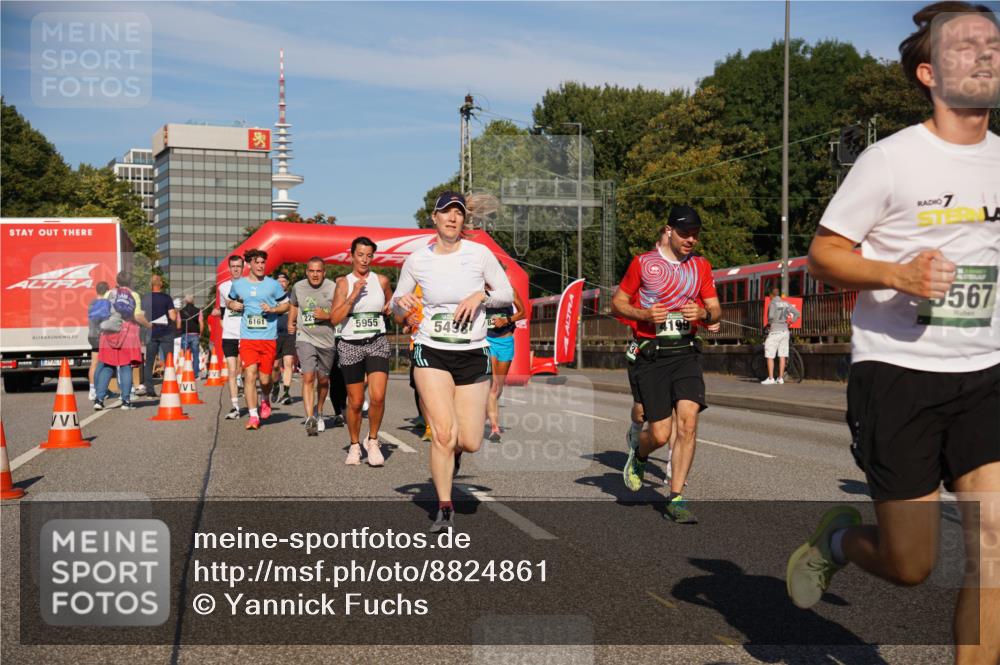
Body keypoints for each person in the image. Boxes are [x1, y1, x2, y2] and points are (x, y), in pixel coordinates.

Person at [786, 5, 1000, 662]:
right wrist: (897, 275)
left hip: (987, 372)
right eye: (967, 47)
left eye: (993, 44)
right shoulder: (890, 160)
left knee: (992, 545)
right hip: (899, 375)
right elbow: (822, 255)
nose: (987, 56)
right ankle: (841, 543)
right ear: (930, 74)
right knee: (910, 563)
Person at [391, 191, 514, 532]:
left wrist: (482, 296)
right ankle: (444, 508)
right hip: (432, 350)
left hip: (473, 352)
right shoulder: (417, 260)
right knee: (443, 434)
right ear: (434, 217)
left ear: (463, 220)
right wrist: (403, 307)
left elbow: (507, 293)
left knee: (470, 440)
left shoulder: (480, 254)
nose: (452, 218)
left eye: (458, 213)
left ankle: (454, 456)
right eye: (446, 213)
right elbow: (396, 304)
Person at [611, 205, 721, 524]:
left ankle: (676, 497)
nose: (691, 240)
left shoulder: (701, 266)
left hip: (686, 352)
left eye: (696, 235)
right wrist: (644, 314)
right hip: (653, 355)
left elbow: (715, 310)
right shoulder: (644, 264)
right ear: (668, 230)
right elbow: (618, 303)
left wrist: (703, 315)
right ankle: (641, 452)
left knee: (688, 422)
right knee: (660, 433)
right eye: (685, 233)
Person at [330, 237, 394, 466]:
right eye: (360, 255)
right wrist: (352, 297)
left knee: (377, 396)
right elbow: (334, 319)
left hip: (376, 341)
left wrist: (391, 309)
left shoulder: (382, 280)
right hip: (350, 345)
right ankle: (355, 445)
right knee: (355, 402)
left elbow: (392, 308)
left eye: (369, 255)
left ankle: (374, 441)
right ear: (352, 255)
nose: (365, 260)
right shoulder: (343, 283)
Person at [226, 249, 289, 430]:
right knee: (250, 374)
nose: (261, 266)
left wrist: (273, 309)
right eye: (257, 263)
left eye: (263, 263)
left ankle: (265, 398)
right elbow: (229, 301)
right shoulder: (238, 285)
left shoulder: (273, 285)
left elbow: (286, 305)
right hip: (248, 338)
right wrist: (233, 304)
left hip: (268, 338)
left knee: (265, 379)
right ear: (249, 264)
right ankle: (253, 416)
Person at [288, 257, 336, 436]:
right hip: (304, 336)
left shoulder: (332, 287)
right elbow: (294, 304)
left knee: (323, 380)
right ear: (306, 272)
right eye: (311, 271)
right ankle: (310, 419)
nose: (315, 274)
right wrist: (291, 322)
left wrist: (326, 315)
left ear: (324, 272)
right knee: (308, 376)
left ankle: (319, 410)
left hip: (326, 340)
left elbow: (341, 312)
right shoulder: (298, 287)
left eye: (318, 271)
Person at [94, 271, 152, 410]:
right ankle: (126, 402)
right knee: (125, 367)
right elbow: (137, 316)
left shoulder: (109, 294)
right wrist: (149, 324)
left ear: (117, 281)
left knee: (108, 366)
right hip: (127, 334)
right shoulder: (134, 295)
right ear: (131, 282)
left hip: (109, 332)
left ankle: (99, 400)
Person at [485, 285, 526, 442]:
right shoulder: (478, 290)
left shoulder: (509, 291)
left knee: (499, 387)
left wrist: (506, 320)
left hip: (506, 341)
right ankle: (495, 427)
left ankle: (487, 410)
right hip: (487, 340)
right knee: (493, 386)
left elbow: (523, 312)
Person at [214, 255, 245, 419]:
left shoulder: (250, 285)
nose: (235, 269)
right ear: (229, 268)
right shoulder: (223, 287)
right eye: (233, 266)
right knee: (232, 371)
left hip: (246, 334)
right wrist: (222, 321)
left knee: (247, 370)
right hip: (229, 334)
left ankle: (254, 403)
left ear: (243, 267)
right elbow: (223, 309)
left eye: (238, 266)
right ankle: (235, 407)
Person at [140, 275, 177, 398]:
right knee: (168, 361)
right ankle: (166, 388)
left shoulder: (145, 298)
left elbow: (141, 316)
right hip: (166, 332)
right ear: (160, 284)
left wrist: (148, 325)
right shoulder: (166, 298)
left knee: (149, 363)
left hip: (151, 333)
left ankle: (150, 390)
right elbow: (173, 317)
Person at [761, 287, 801, 385]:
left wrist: (769, 325)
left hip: (775, 332)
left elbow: (770, 317)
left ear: (771, 295)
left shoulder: (772, 303)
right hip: (785, 332)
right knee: (782, 355)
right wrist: (791, 321)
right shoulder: (786, 303)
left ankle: (771, 378)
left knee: (770, 355)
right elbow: (797, 313)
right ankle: (780, 378)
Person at [271, 271, 296, 406]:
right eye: (278, 282)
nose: (281, 284)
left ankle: (286, 392)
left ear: (287, 284)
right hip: (274, 334)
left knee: (288, 362)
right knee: (275, 366)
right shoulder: (271, 296)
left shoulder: (292, 296)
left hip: (289, 333)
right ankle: (275, 385)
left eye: (283, 282)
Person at [87, 281, 111, 401]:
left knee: (94, 363)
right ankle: (100, 390)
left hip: (91, 335)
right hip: (101, 336)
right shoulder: (106, 303)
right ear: (107, 291)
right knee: (104, 364)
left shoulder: (91, 303)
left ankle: (92, 390)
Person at [178, 294, 203, 378]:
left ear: (185, 301)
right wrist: (200, 333)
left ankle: (185, 373)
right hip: (195, 335)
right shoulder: (198, 310)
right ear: (193, 301)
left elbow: (178, 325)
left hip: (185, 335)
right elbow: (201, 324)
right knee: (196, 355)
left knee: (184, 355)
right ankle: (195, 374)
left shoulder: (180, 311)